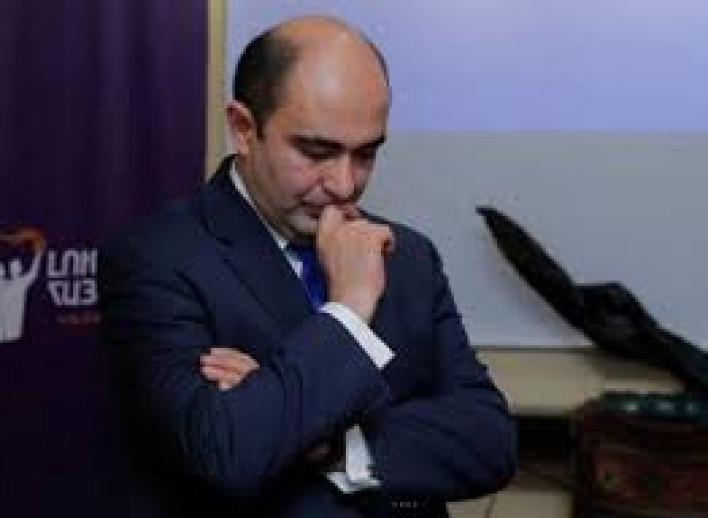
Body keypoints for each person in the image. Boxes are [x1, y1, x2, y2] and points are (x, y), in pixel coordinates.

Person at [99, 15, 516, 517]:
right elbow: (227, 451)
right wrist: (349, 310)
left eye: (366, 154)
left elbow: (489, 440)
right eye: (318, 152)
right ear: (244, 129)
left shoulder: (409, 256)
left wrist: (333, 444)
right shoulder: (157, 257)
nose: (345, 184)